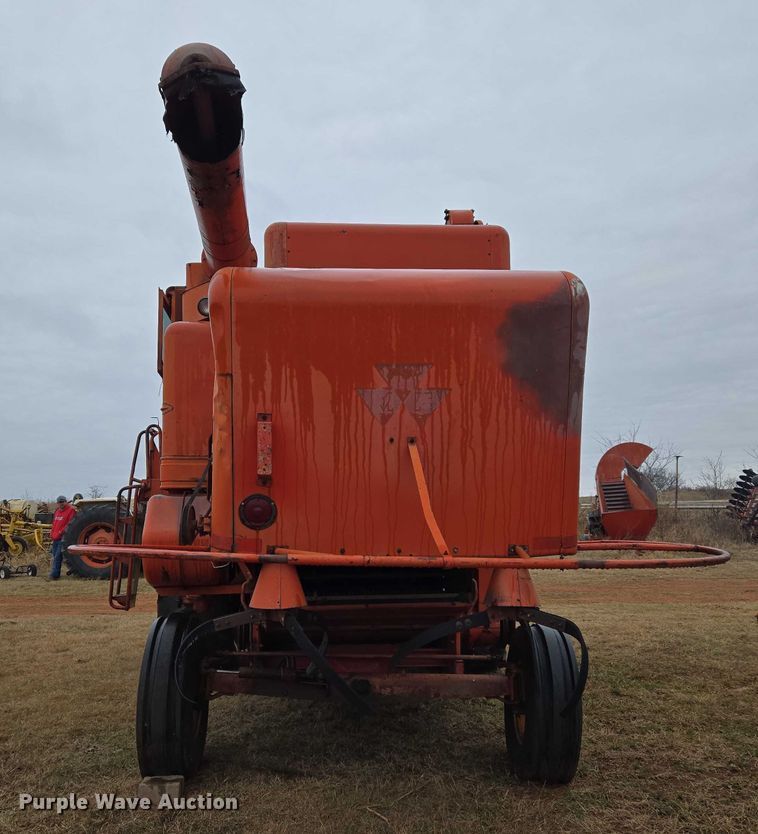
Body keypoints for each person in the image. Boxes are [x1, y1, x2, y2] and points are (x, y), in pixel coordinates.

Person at [48, 495, 76, 580]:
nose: (61, 504)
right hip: (55, 538)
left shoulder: (71, 510)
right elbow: (54, 524)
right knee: (54, 555)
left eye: (63, 502)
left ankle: (54, 575)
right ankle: (55, 572)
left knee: (58, 556)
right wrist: (52, 533)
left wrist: (61, 532)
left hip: (63, 538)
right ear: (57, 503)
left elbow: (70, 524)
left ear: (66, 502)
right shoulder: (57, 511)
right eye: (59, 502)